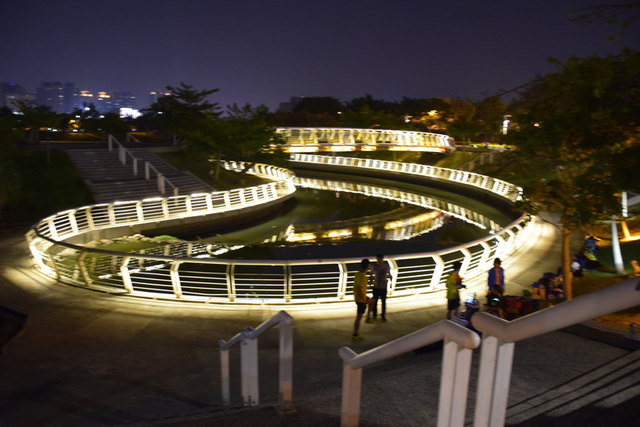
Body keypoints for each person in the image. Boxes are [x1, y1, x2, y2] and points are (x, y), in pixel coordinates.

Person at [352, 258, 371, 340]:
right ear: (368, 266)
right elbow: (359, 288)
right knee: (358, 318)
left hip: (358, 298)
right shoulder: (363, 277)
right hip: (361, 300)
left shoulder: (358, 274)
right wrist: (365, 299)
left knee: (373, 300)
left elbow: (358, 286)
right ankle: (355, 334)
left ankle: (368, 317)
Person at [370, 254, 391, 322]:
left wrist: (390, 281)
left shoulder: (386, 266)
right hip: (376, 286)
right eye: (377, 259)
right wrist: (371, 283)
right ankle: (374, 315)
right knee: (374, 302)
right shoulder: (374, 266)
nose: (378, 260)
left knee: (383, 302)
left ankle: (383, 315)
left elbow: (389, 274)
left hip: (383, 286)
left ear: (382, 259)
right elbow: (371, 275)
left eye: (380, 259)